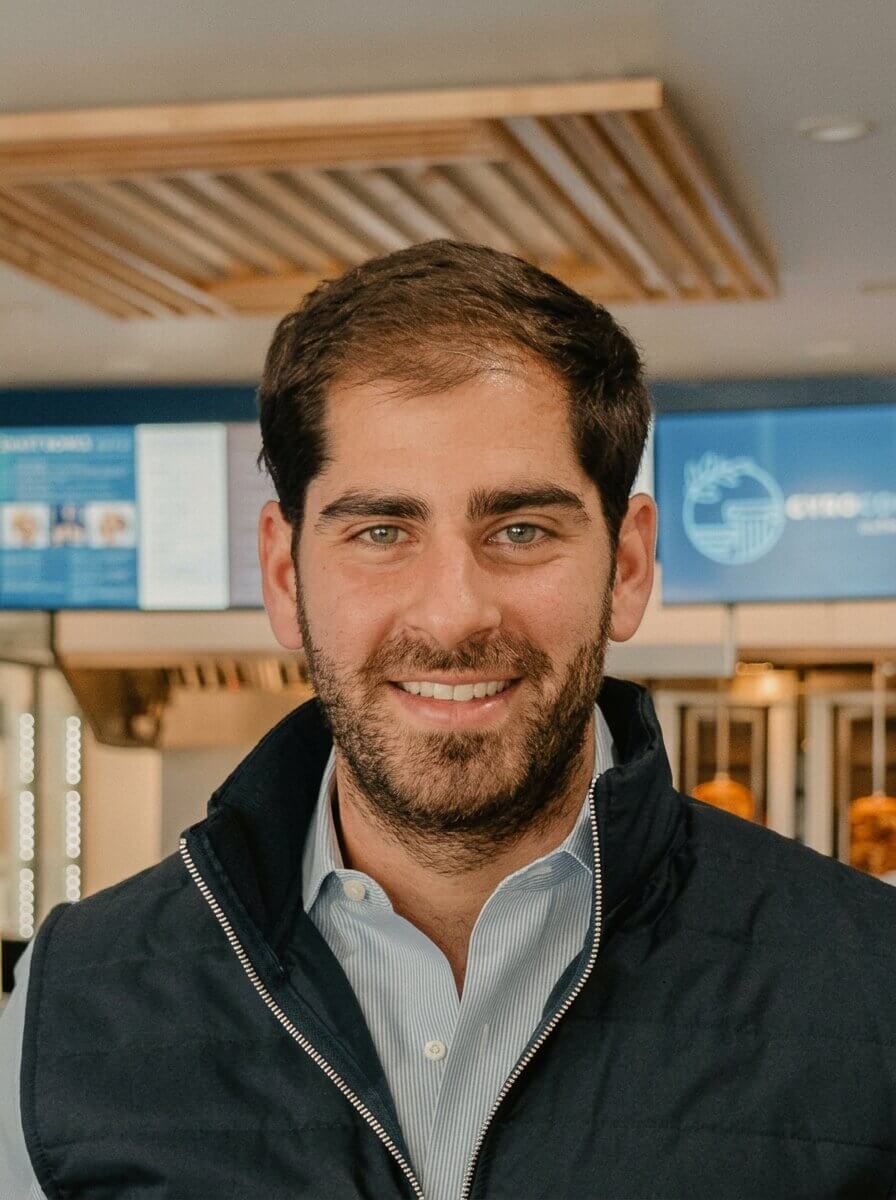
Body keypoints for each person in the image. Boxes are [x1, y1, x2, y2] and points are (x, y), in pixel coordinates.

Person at [2, 240, 896, 1200]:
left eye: (521, 530)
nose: (452, 612)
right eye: (381, 532)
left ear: (628, 568)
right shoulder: (61, 1017)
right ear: (281, 574)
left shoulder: (872, 990)